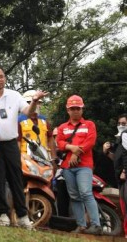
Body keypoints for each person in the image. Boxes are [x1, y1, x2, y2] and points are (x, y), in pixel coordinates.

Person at [0, 65, 46, 228]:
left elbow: (27, 111)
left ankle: (22, 215)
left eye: (1, 76)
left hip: (11, 143)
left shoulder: (14, 95)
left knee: (16, 178)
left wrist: (34, 101)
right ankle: (2, 213)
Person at [56, 95, 101, 235]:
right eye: (72, 109)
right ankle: (81, 225)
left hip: (84, 165)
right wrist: (71, 148)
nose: (75, 111)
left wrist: (76, 152)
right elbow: (60, 142)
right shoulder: (63, 127)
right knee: (74, 196)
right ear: (68, 110)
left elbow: (90, 141)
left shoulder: (89, 125)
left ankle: (96, 225)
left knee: (86, 192)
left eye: (78, 108)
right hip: (68, 168)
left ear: (82, 109)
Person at [18, 90, 57, 169]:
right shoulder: (19, 121)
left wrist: (53, 158)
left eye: (38, 102)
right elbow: (17, 142)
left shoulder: (44, 120)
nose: (35, 105)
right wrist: (18, 160)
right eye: (29, 102)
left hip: (44, 158)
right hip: (26, 159)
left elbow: (50, 138)